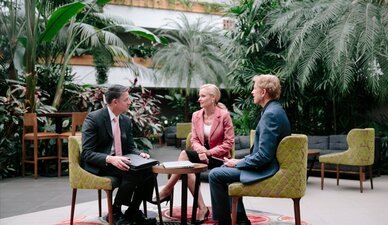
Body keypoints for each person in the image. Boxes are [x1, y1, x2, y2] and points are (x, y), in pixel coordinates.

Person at [209, 74, 291, 225]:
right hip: (267, 164)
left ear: (263, 92)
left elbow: (264, 156)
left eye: (254, 88)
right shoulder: (274, 110)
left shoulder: (271, 114)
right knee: (223, 168)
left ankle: (224, 221)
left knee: (215, 174)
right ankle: (240, 219)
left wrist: (238, 163)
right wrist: (239, 161)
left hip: (266, 168)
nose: (252, 92)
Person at [154, 84, 234, 224]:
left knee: (185, 161)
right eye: (199, 96)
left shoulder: (224, 116)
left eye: (203, 96)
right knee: (185, 157)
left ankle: (167, 190)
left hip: (219, 157)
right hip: (202, 155)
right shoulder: (196, 115)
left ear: (213, 97)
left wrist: (207, 152)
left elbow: (228, 143)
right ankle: (202, 208)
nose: (199, 99)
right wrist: (201, 151)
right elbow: (194, 139)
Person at [81, 85, 157, 225]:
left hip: (122, 160)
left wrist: (140, 154)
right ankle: (115, 211)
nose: (130, 102)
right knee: (132, 172)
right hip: (102, 163)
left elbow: (130, 148)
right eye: (126, 99)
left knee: (150, 170)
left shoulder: (125, 121)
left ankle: (132, 211)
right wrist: (110, 159)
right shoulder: (94, 118)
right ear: (115, 102)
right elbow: (86, 153)